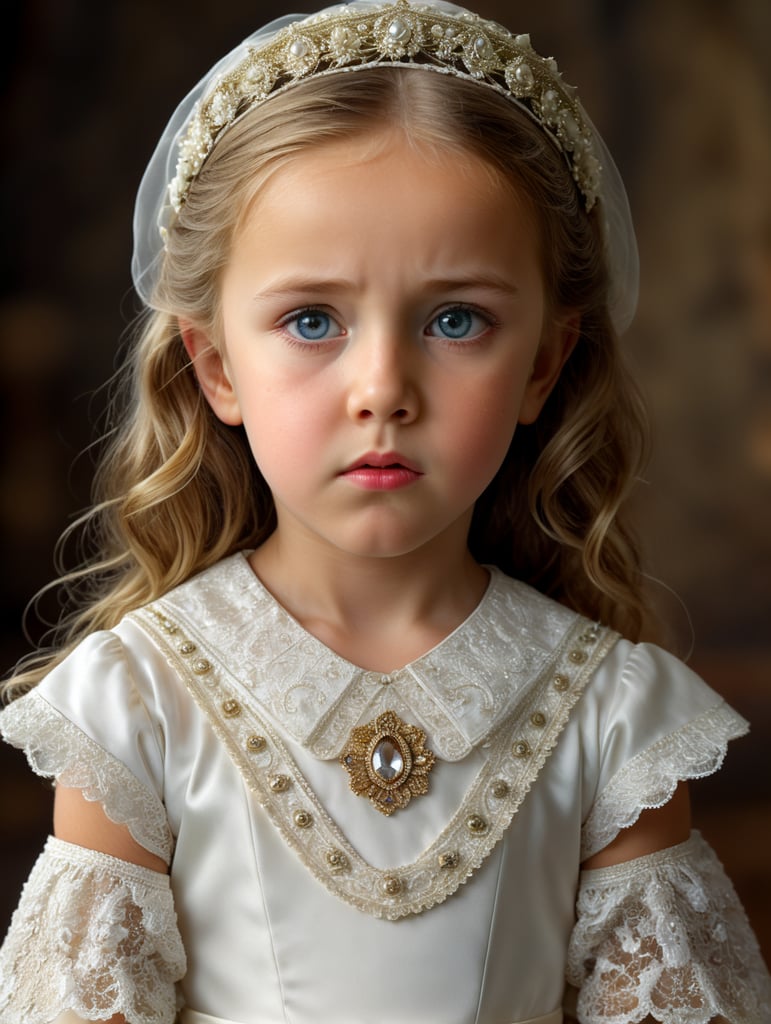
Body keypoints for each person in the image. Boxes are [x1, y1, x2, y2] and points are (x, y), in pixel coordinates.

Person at [0, 1, 769, 1021]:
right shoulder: (138, 705)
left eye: (457, 319)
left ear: (543, 362)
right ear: (217, 365)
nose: (383, 388)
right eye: (312, 319)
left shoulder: (615, 720)